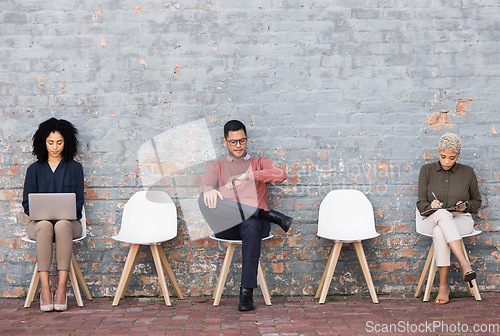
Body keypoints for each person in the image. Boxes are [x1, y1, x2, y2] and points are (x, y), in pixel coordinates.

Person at [198, 120, 293, 311]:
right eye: (233, 142)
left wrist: (248, 176)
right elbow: (206, 186)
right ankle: (268, 215)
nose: (238, 145)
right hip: (228, 226)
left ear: (247, 140)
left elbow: (280, 174)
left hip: (254, 227)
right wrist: (208, 190)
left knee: (251, 224)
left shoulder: (259, 163)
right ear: (225, 142)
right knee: (202, 199)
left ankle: (246, 294)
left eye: (242, 140)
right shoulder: (216, 166)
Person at [22, 118, 84, 312]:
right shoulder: (34, 170)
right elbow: (27, 204)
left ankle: (62, 289)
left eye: (59, 142)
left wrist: (68, 213)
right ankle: (46, 289)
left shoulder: (75, 168)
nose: (55, 147)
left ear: (66, 143)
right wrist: (39, 213)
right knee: (46, 225)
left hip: (69, 225)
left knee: (62, 224)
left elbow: (79, 202)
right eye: (50, 142)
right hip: (39, 225)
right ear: (43, 142)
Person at [417, 133, 481, 304]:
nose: (446, 162)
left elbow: (477, 201)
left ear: (458, 156)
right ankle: (465, 264)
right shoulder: (426, 170)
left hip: (461, 220)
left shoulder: (467, 172)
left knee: (440, 232)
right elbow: (421, 203)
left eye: (451, 158)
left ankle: (443, 286)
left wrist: (465, 206)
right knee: (442, 216)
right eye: (443, 157)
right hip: (433, 218)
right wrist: (432, 206)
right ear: (438, 153)